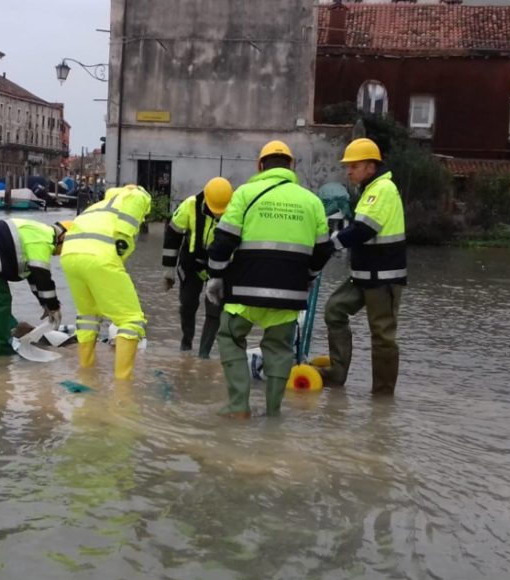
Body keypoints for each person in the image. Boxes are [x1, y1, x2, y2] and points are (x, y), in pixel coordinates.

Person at [206, 140, 333, 417]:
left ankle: (239, 406)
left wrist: (215, 276)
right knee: (279, 349)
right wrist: (309, 276)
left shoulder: (245, 194)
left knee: (230, 337)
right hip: (290, 294)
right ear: (292, 166)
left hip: (244, 291)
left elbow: (223, 241)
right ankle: (273, 413)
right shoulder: (311, 201)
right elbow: (323, 250)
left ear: (260, 165)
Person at [318, 138, 406, 395]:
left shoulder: (383, 189)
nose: (348, 171)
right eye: (348, 166)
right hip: (364, 275)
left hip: (384, 278)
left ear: (370, 166)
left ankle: (382, 395)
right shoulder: (370, 190)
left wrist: (330, 245)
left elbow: (364, 230)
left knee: (382, 335)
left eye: (354, 166)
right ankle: (337, 375)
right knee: (335, 309)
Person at [61, 184, 152, 379]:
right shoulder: (136, 197)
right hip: (100, 257)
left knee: (88, 316)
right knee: (131, 319)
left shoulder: (97, 207)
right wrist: (120, 253)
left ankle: (86, 370)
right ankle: (123, 381)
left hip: (69, 256)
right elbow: (122, 239)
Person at [0, 218, 71, 356]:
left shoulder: (38, 231)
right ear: (63, 237)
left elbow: (33, 277)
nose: (59, 254)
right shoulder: (43, 241)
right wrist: (54, 307)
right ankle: (2, 349)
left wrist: (44, 304)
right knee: (0, 300)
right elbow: (42, 276)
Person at [162, 177, 233, 357]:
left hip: (219, 267)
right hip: (191, 263)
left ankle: (203, 355)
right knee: (187, 305)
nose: (218, 214)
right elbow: (172, 235)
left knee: (215, 310)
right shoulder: (190, 206)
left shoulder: (235, 210)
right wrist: (168, 270)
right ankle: (186, 345)